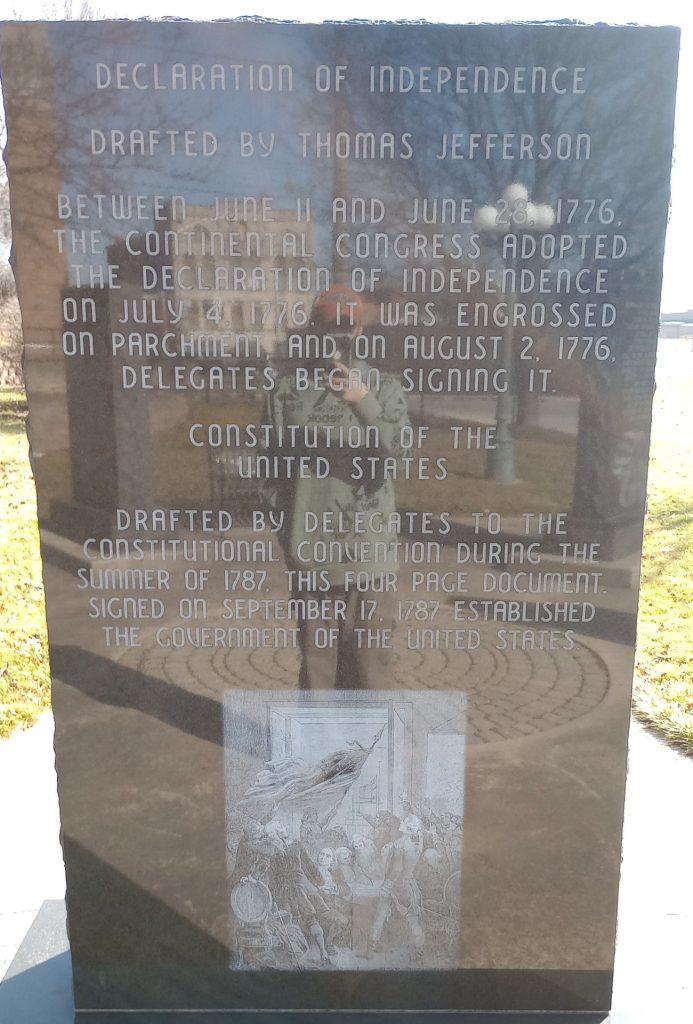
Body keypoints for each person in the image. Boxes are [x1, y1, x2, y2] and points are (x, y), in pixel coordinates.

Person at [261, 285, 411, 689]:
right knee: (319, 679)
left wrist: (363, 401)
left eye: (346, 326)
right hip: (312, 560)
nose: (338, 334)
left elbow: (401, 453)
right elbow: (269, 472)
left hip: (369, 562)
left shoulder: (384, 388)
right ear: (314, 327)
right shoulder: (286, 392)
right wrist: (291, 533)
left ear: (359, 331)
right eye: (329, 325)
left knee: (371, 677)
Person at [368, 813, 425, 964]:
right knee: (413, 921)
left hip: (396, 885)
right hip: (409, 885)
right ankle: (420, 953)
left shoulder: (400, 844)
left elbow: (398, 869)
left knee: (380, 916)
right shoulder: (417, 843)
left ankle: (371, 948)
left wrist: (387, 886)